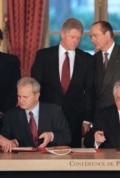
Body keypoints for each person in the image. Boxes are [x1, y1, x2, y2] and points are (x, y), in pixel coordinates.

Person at [31, 18, 95, 147]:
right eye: (72, 37)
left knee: (72, 157)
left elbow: (89, 91)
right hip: (47, 116)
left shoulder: (87, 59)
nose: (76, 41)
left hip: (75, 118)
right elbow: (35, 87)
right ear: (63, 34)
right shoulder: (43, 56)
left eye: (78, 38)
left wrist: (87, 119)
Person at [0, 77, 71, 152]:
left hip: (50, 160)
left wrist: (51, 136)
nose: (21, 100)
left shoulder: (54, 111)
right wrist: (12, 142)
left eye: (25, 97)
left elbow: (67, 137)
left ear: (36, 96)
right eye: (19, 96)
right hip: (23, 160)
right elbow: (5, 140)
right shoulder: (10, 116)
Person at [0, 28, 21, 128]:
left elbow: (16, 88)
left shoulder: (12, 61)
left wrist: (3, 112)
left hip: (6, 114)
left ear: (0, 42)